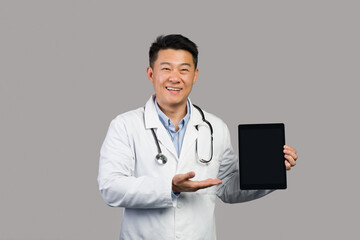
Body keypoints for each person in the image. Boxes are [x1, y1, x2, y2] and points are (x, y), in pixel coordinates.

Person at [97, 34, 298, 240]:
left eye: (184, 70)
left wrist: (270, 171)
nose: (175, 78)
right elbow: (111, 187)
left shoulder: (215, 127)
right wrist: (170, 187)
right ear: (150, 73)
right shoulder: (124, 125)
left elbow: (228, 187)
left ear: (195, 75)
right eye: (166, 69)